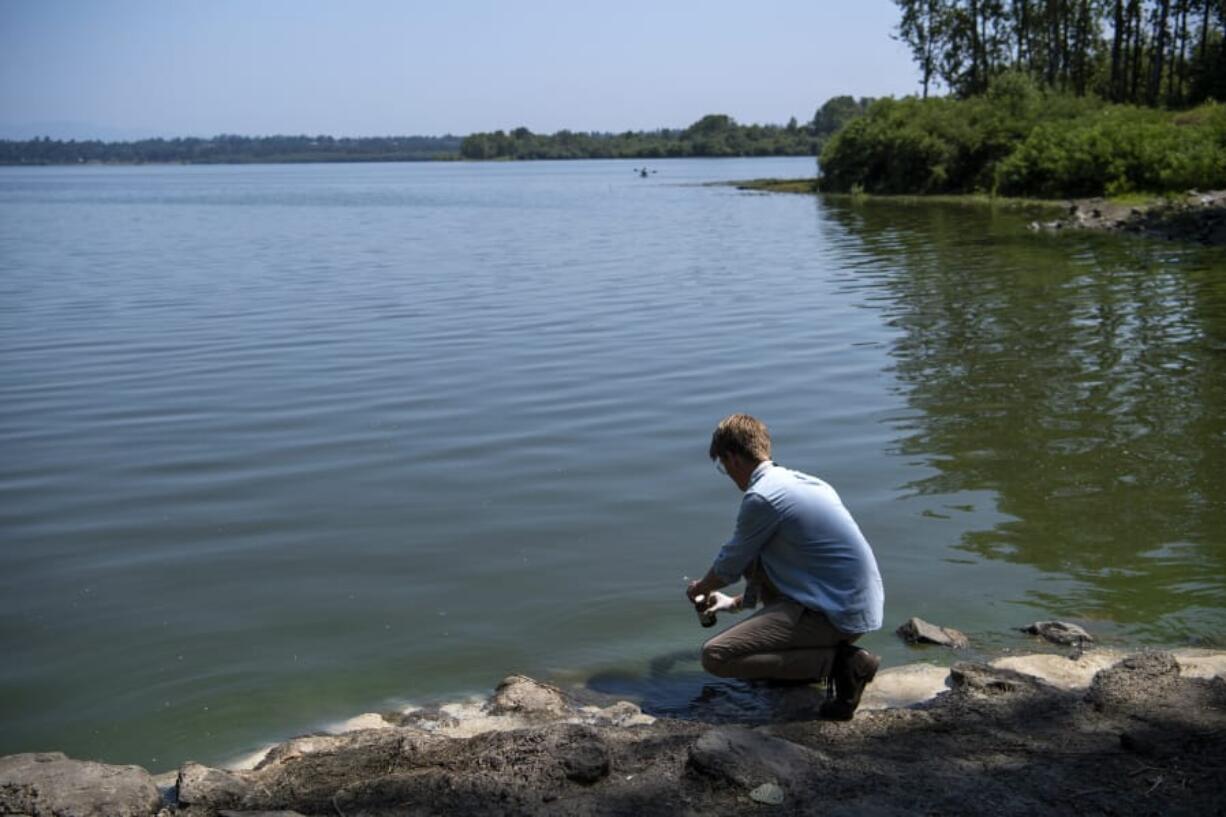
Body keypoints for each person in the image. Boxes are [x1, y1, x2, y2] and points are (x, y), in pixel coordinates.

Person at [686, 413, 884, 720]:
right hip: (857, 608)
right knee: (762, 558)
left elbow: (729, 566)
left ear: (733, 458)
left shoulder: (762, 497)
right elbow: (758, 566)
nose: (726, 473)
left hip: (835, 616)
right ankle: (813, 662)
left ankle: (843, 664)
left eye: (722, 465)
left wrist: (700, 589)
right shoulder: (807, 482)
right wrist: (734, 604)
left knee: (715, 656)